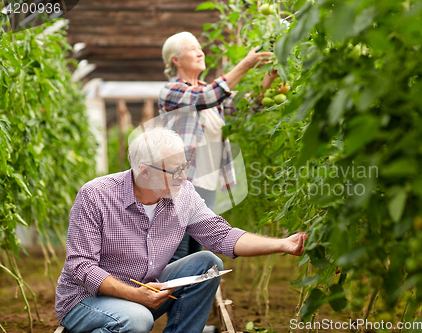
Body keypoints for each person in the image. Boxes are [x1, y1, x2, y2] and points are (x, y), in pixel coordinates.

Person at [55, 127, 307, 333]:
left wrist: (283, 244)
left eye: (185, 167)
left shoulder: (183, 194)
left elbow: (222, 236)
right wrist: (135, 296)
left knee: (208, 262)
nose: (184, 177)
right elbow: (81, 267)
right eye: (175, 171)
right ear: (144, 171)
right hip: (85, 301)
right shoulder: (96, 195)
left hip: (145, 292)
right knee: (138, 320)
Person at [159, 31, 279, 263]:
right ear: (176, 60)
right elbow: (207, 96)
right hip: (180, 185)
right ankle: (160, 299)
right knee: (176, 255)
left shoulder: (212, 95)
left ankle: (187, 299)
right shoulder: (172, 92)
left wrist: (270, 76)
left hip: (206, 186)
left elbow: (248, 106)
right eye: (193, 48)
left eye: (199, 47)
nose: (200, 51)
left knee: (195, 255)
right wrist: (245, 64)